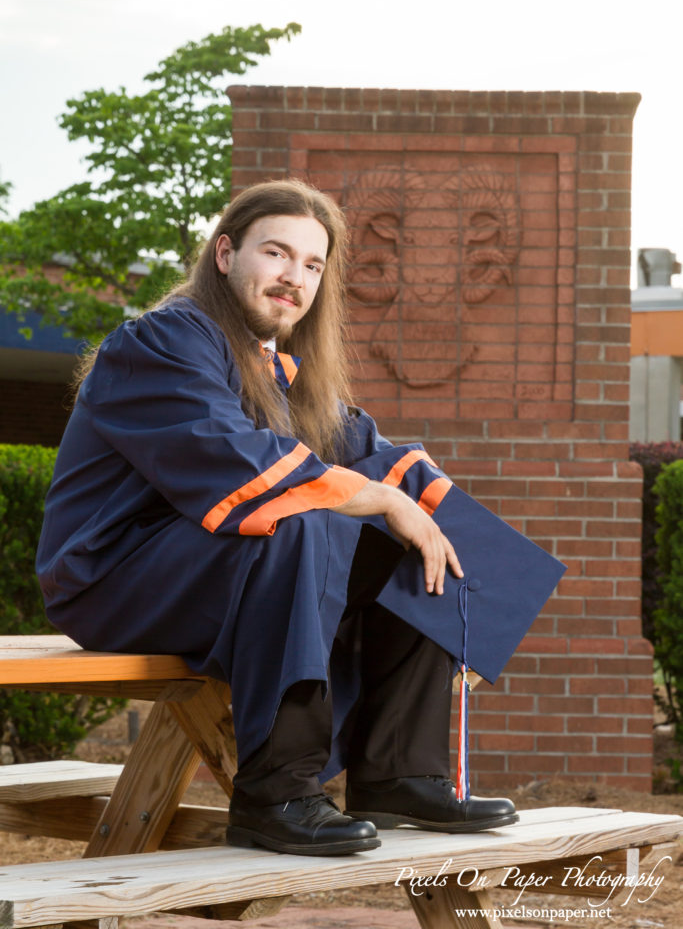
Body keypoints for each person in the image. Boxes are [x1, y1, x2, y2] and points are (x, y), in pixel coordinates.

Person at [36, 179, 517, 857]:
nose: (294, 277)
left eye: (313, 265)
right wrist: (382, 500)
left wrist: (456, 554)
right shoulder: (165, 340)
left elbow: (375, 457)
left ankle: (398, 769)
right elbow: (234, 460)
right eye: (276, 253)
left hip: (206, 569)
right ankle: (276, 792)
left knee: (423, 536)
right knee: (305, 517)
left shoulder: (281, 374)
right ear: (226, 253)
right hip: (112, 577)